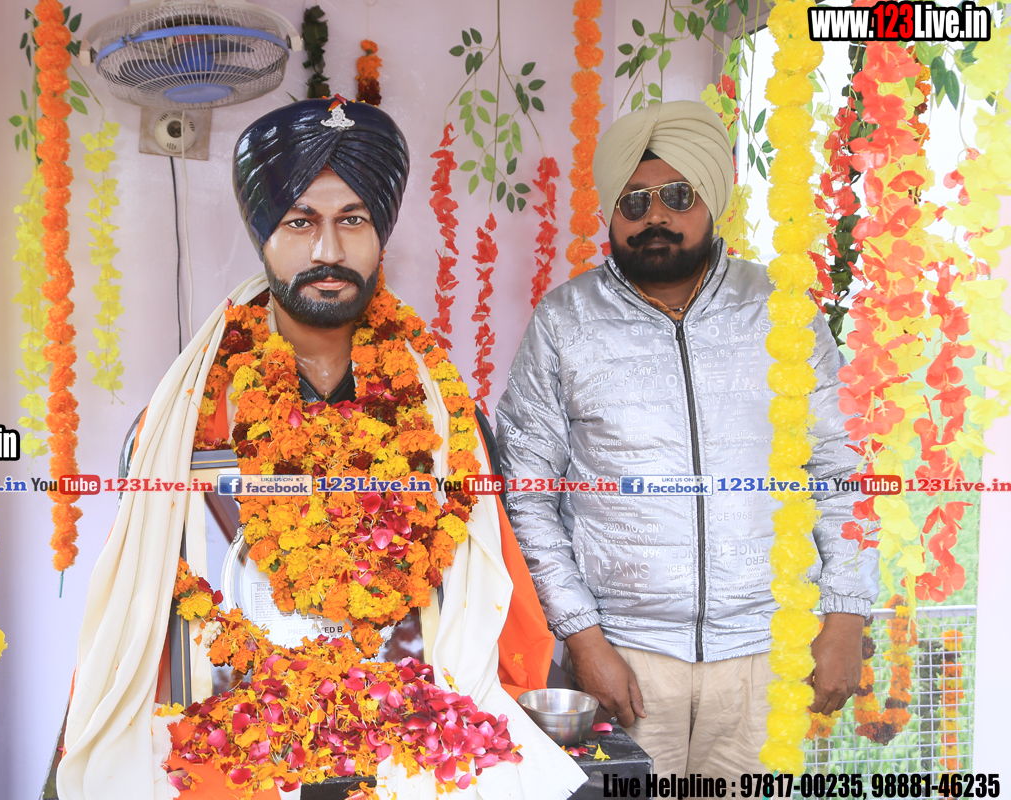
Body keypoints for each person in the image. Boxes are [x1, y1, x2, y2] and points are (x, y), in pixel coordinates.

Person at [57, 98, 586, 800]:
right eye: (300, 221)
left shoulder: (446, 413)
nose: (328, 251)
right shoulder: (187, 418)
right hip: (237, 718)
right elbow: (152, 599)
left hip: (410, 720)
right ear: (263, 235)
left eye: (353, 220)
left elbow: (485, 584)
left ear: (380, 234)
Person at [495, 99, 878, 777]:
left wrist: (846, 618)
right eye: (633, 201)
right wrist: (583, 639)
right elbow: (527, 495)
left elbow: (841, 471)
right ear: (611, 213)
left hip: (769, 651)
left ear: (711, 198)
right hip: (626, 655)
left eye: (677, 195)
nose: (655, 217)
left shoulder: (782, 311)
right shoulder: (564, 322)